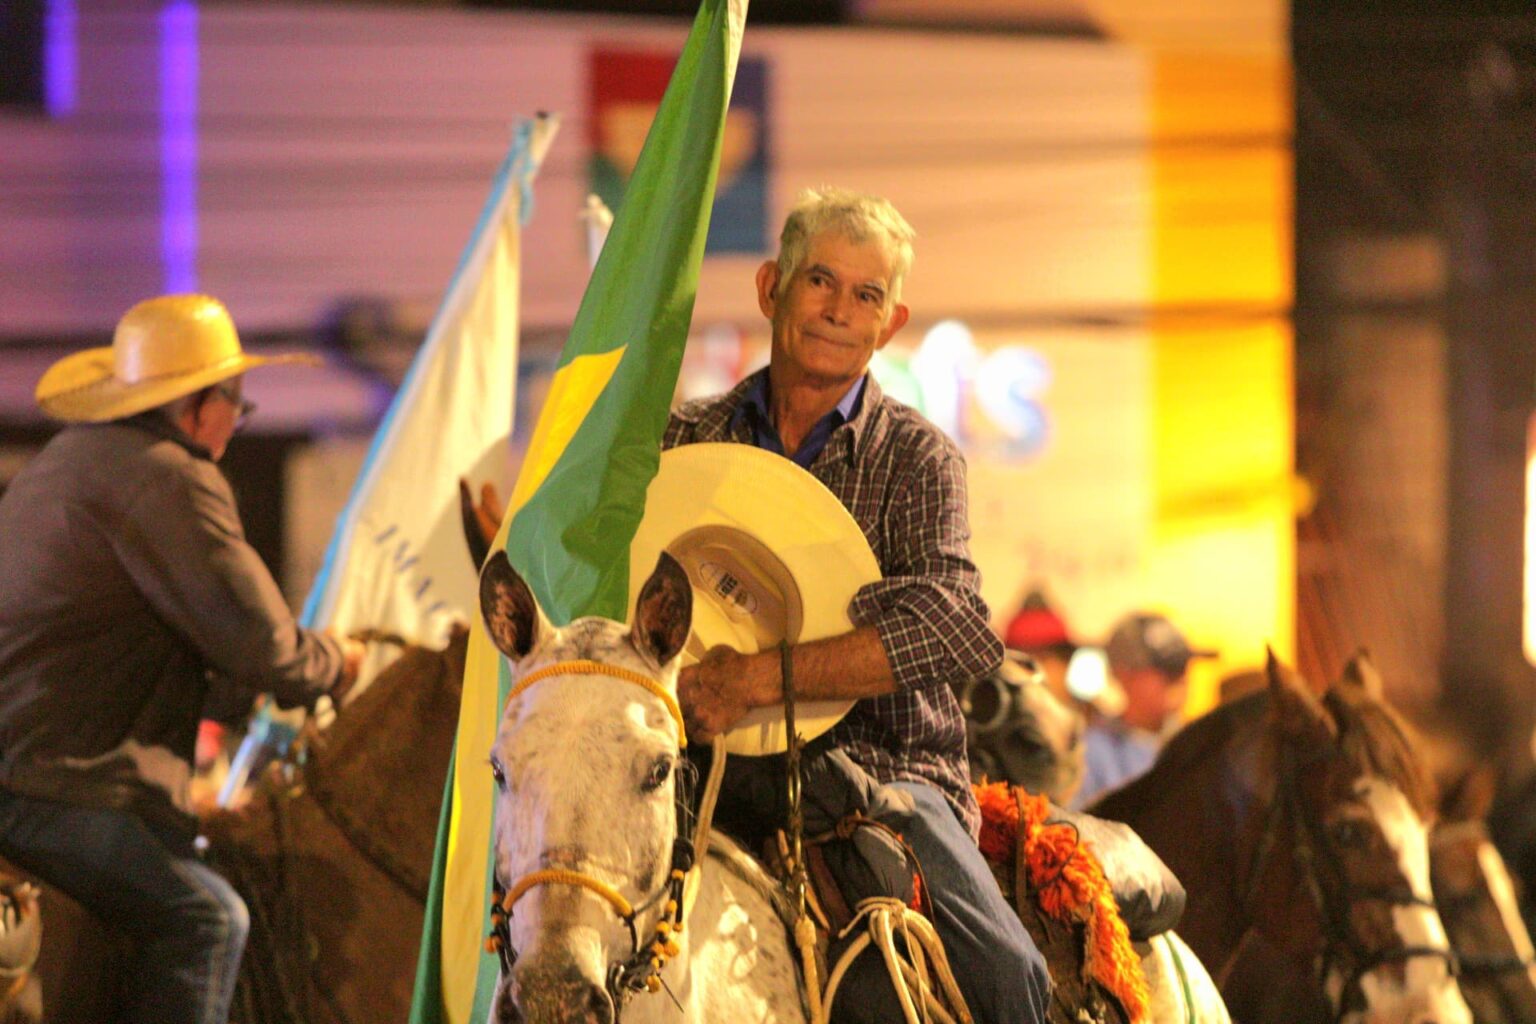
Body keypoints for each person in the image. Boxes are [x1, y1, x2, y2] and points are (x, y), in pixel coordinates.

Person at [664, 187, 1050, 1024]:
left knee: (1010, 978)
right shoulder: (684, 440)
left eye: (866, 295)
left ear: (891, 323)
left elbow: (951, 623)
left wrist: (756, 680)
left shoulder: (917, 457)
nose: (839, 310)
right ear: (770, 288)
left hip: (887, 781)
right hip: (696, 767)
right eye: (819, 282)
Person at [0, 294, 364, 1024]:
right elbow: (270, 648)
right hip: (61, 789)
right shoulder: (170, 477)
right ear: (200, 405)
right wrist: (339, 661)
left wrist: (241, 692)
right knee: (209, 919)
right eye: (237, 403)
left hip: (29, 774)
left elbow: (136, 648)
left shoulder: (69, 459)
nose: (236, 418)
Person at [1071, 611, 1212, 810]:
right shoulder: (1091, 753)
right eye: (1169, 669)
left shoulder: (1198, 743)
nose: (1181, 677)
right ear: (1123, 674)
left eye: (1184, 666)